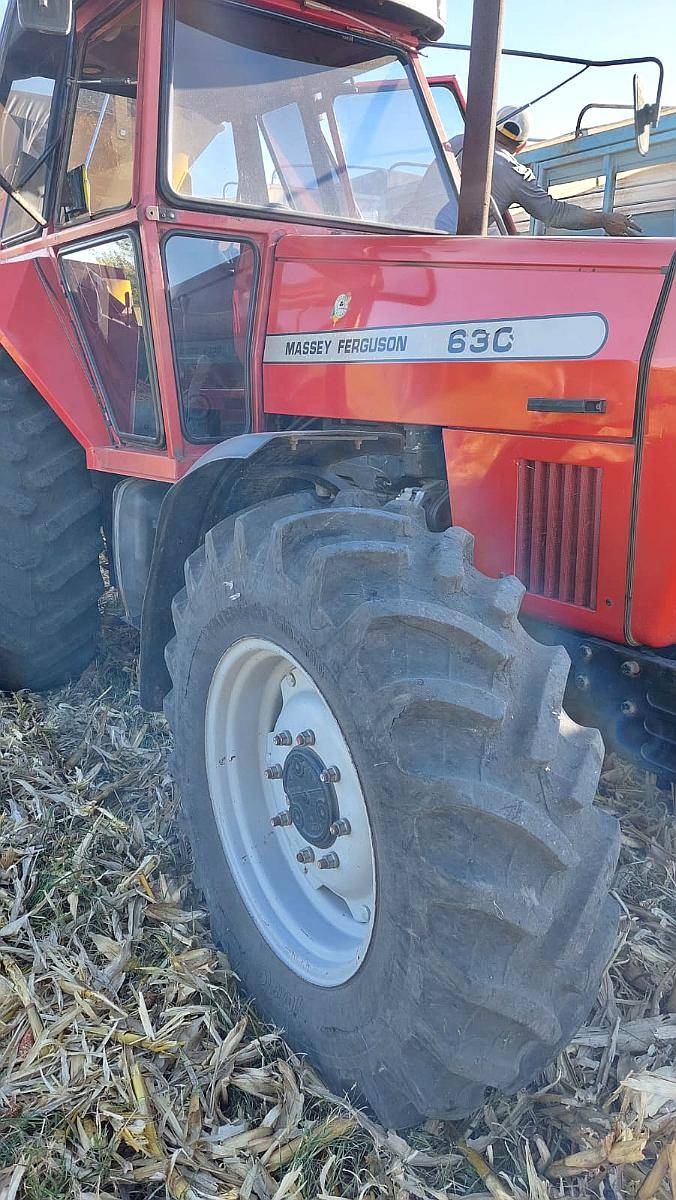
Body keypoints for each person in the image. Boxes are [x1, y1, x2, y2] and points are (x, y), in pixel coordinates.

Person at [440, 104, 640, 236]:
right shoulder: (514, 174)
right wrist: (604, 219)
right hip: (449, 247)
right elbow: (554, 213)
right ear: (521, 147)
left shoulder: (456, 141)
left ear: (491, 128)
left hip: (414, 239)